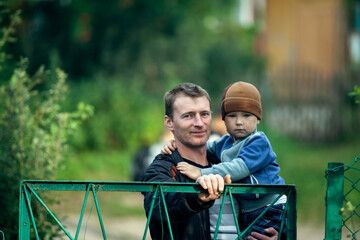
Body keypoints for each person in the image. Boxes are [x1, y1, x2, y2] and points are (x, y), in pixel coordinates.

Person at [141, 83, 279, 240]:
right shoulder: (164, 166)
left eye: (204, 114)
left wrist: (277, 235)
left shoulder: (227, 158)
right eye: (188, 116)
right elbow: (158, 205)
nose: (199, 123)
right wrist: (196, 197)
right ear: (169, 122)